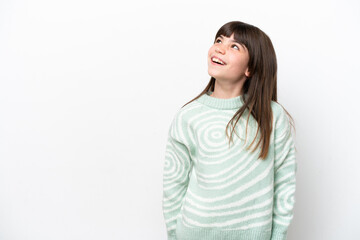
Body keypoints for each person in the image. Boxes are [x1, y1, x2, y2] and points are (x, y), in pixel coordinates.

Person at [162, 20, 297, 240]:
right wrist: (175, 235)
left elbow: (284, 184)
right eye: (219, 40)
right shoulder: (188, 116)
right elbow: (173, 185)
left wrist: (278, 235)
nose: (219, 48)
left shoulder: (272, 116)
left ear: (250, 68)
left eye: (234, 46)